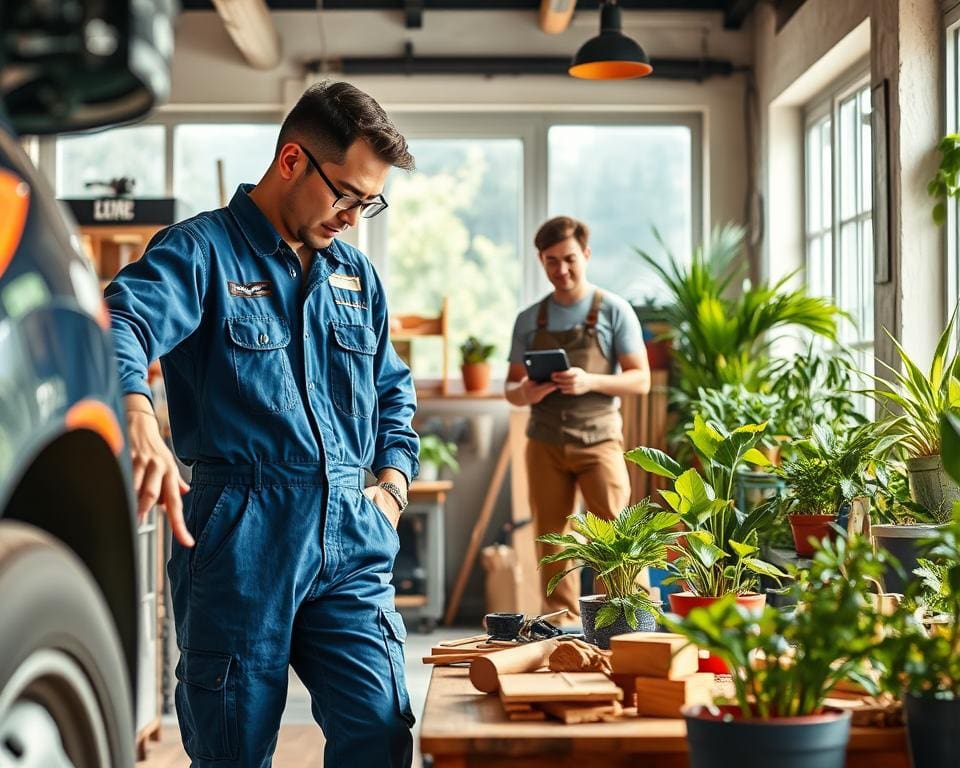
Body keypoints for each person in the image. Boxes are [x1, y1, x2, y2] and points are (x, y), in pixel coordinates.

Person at [105, 82, 420, 767]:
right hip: (242, 538)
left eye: (369, 202)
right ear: (291, 163)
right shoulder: (202, 253)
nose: (354, 217)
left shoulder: (356, 277)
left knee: (381, 728)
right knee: (233, 749)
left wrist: (392, 488)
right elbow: (119, 322)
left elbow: (394, 391)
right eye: (345, 195)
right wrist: (136, 412)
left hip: (351, 533)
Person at [505, 216, 651, 621]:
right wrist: (526, 393)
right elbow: (511, 388)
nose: (561, 270)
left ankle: (628, 623)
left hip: (599, 441)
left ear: (585, 254)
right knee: (552, 543)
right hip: (545, 444)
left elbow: (641, 380)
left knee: (616, 539)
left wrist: (589, 381)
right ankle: (562, 626)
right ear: (541, 261)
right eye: (551, 261)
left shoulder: (614, 310)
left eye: (569, 258)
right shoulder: (529, 320)